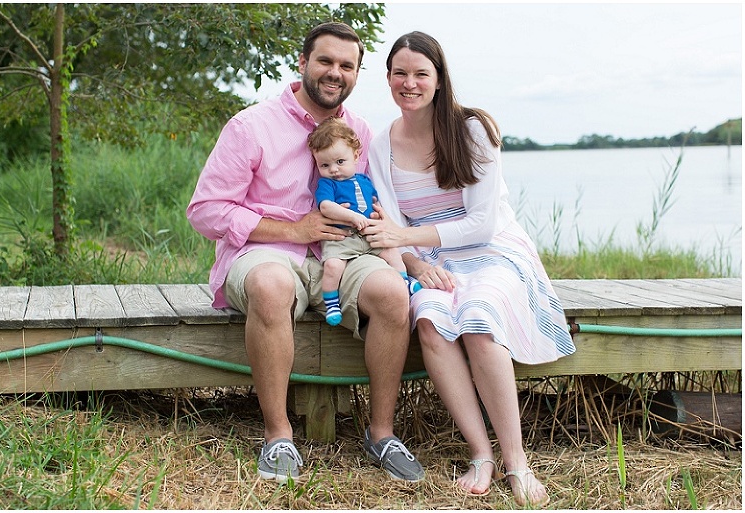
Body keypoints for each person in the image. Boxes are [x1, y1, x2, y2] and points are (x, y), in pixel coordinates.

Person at [186, 22, 424, 484]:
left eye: (346, 65)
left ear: (356, 74)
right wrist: (295, 229)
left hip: (346, 254)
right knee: (271, 285)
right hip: (267, 252)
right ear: (302, 64)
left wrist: (407, 255)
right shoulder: (251, 126)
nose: (335, 72)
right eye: (326, 61)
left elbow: (378, 206)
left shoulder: (359, 132)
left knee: (394, 293)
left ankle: (382, 434)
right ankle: (279, 438)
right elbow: (205, 211)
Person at [363, 31, 576, 506]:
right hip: (427, 258)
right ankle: (482, 454)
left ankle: (518, 462)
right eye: (400, 73)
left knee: (478, 319)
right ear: (388, 79)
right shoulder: (381, 144)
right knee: (431, 321)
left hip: (494, 248)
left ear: (439, 80)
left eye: (421, 73)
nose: (410, 83)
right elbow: (390, 227)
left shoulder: (472, 129)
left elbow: (481, 224)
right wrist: (414, 264)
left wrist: (406, 240)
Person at [308, 116, 422, 326]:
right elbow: (325, 206)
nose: (333, 169)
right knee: (333, 266)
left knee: (392, 254)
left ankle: (404, 282)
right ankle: (332, 302)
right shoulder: (327, 184)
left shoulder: (364, 180)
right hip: (342, 238)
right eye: (325, 164)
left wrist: (379, 213)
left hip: (368, 235)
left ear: (355, 155)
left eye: (340, 162)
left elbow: (376, 200)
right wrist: (352, 217)